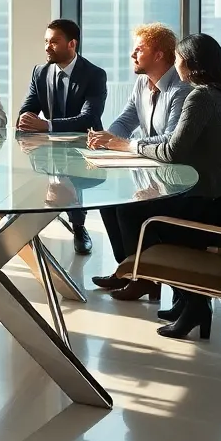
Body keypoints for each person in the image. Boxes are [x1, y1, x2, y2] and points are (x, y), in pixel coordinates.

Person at [90, 33, 221, 341]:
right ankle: (182, 297)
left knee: (136, 213)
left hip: (208, 202)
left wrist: (129, 145)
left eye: (179, 59)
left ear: (190, 63)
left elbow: (173, 150)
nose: (176, 64)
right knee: (132, 207)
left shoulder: (199, 97)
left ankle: (161, 284)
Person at [86, 23, 190, 263]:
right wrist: (107, 138)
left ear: (159, 55)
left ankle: (142, 275)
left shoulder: (180, 88)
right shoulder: (142, 84)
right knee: (108, 204)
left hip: (173, 176)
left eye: (139, 50)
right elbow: (126, 120)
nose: (132, 55)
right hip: (148, 170)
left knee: (127, 208)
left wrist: (122, 143)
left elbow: (169, 139)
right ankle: (128, 269)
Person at [17, 18, 107, 255]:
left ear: (72, 44)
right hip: (50, 146)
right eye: (46, 41)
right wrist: (24, 118)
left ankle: (79, 227)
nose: (47, 47)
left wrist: (46, 125)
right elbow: (29, 105)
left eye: (54, 42)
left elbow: (89, 118)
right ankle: (25, 229)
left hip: (84, 146)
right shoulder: (40, 71)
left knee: (70, 177)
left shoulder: (94, 75)